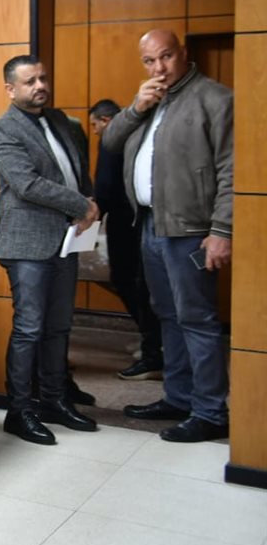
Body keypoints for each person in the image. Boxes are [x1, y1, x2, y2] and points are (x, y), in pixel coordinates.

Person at [105, 29, 232, 443]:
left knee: (197, 319)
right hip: (151, 225)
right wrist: (136, 108)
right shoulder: (151, 100)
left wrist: (222, 231)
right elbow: (111, 141)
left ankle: (211, 410)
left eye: (166, 56)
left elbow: (233, 171)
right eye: (149, 61)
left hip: (192, 231)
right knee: (168, 314)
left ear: (184, 53)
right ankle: (179, 397)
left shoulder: (215, 99)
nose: (159, 68)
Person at [0, 55, 100, 446]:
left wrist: (89, 200)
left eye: (43, 78)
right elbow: (28, 185)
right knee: (30, 328)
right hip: (26, 244)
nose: (40, 86)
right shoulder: (3, 129)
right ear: (10, 89)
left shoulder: (59, 121)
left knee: (59, 326)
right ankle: (19, 411)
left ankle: (54, 401)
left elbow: (78, 168)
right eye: (30, 81)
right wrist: (81, 205)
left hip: (66, 239)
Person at [89, 99, 162, 380]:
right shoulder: (140, 131)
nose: (94, 131)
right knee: (144, 283)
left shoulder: (113, 137)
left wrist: (94, 214)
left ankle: (153, 344)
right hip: (144, 218)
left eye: (95, 124)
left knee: (126, 279)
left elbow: (106, 184)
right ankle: (152, 340)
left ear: (106, 120)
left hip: (123, 219)